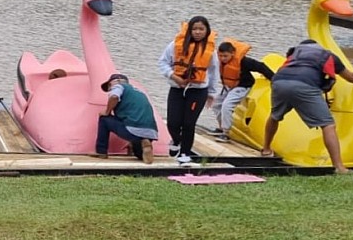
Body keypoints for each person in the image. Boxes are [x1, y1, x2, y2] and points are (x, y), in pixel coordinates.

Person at [262, 39, 353, 173]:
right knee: (328, 125)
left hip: (279, 81)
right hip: (305, 85)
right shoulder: (327, 55)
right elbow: (352, 77)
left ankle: (266, 149)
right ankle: (339, 167)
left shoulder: (295, 54)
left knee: (275, 116)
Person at [158, 16, 220, 165]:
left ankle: (185, 153)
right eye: (195, 29)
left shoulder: (210, 51)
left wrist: (212, 94)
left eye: (201, 29)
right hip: (177, 88)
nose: (198, 32)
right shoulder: (175, 45)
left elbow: (213, 72)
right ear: (189, 30)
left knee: (188, 123)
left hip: (198, 91)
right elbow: (163, 63)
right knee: (173, 122)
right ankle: (176, 140)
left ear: (207, 31)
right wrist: (174, 77)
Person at [214, 40, 275, 141]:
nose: (222, 59)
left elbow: (261, 66)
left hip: (243, 86)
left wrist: (273, 79)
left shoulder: (244, 61)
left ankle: (226, 132)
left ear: (232, 54)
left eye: (225, 56)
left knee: (227, 105)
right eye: (220, 56)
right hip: (229, 86)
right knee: (216, 104)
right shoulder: (219, 61)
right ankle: (221, 127)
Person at [93, 73, 158, 163]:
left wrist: (107, 111)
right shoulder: (139, 92)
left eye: (108, 87)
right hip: (151, 132)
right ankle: (142, 143)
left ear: (112, 83)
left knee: (104, 118)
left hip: (133, 129)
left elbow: (114, 96)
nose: (109, 90)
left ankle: (101, 151)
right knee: (139, 154)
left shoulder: (118, 86)